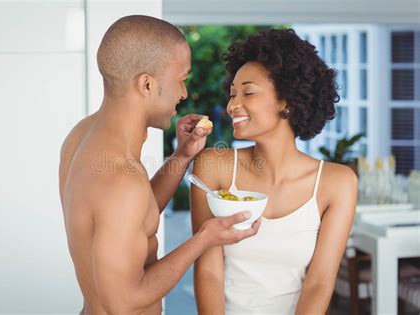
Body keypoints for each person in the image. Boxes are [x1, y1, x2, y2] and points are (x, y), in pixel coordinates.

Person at [58, 15, 261, 315]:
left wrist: (181, 156)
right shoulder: (119, 179)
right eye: (181, 80)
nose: (184, 93)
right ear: (147, 84)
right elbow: (123, 302)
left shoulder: (81, 137)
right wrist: (204, 238)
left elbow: (133, 216)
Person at [191, 29, 358, 314]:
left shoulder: (336, 183)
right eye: (232, 94)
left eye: (248, 92)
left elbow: (319, 282)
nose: (232, 105)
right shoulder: (212, 166)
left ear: (287, 100)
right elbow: (208, 271)